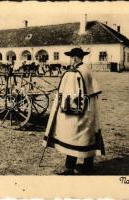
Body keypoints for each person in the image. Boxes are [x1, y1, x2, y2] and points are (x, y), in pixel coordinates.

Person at [43, 47, 105, 175]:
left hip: (77, 110)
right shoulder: (87, 70)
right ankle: (88, 166)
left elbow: (68, 96)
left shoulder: (73, 74)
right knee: (88, 135)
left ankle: (69, 168)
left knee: (73, 137)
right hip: (89, 109)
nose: (70, 60)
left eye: (71, 57)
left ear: (75, 58)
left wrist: (59, 103)